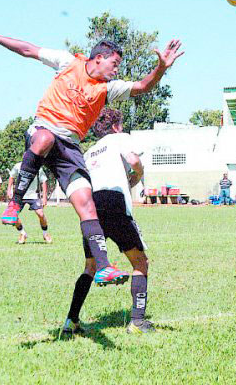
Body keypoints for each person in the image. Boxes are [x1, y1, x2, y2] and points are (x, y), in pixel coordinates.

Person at [0, 31, 183, 287]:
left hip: (69, 148)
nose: (116, 70)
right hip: (42, 131)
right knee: (45, 139)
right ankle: (14, 206)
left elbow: (144, 86)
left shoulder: (107, 89)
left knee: (86, 203)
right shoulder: (68, 62)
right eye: (114, 64)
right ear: (99, 58)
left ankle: (103, 267)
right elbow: (27, 48)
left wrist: (161, 68)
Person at [63, 108, 154, 334]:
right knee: (140, 262)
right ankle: (138, 322)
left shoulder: (89, 151)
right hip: (113, 202)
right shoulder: (119, 138)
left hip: (91, 207)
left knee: (91, 266)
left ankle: (71, 321)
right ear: (116, 127)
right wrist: (138, 176)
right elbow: (134, 160)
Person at [7, 162, 51, 244]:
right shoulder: (18, 166)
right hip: (19, 195)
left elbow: (44, 181)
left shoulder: (38, 167)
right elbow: (12, 177)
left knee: (40, 214)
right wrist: (9, 190)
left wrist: (44, 197)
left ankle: (45, 234)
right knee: (12, 215)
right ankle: (23, 234)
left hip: (33, 195)